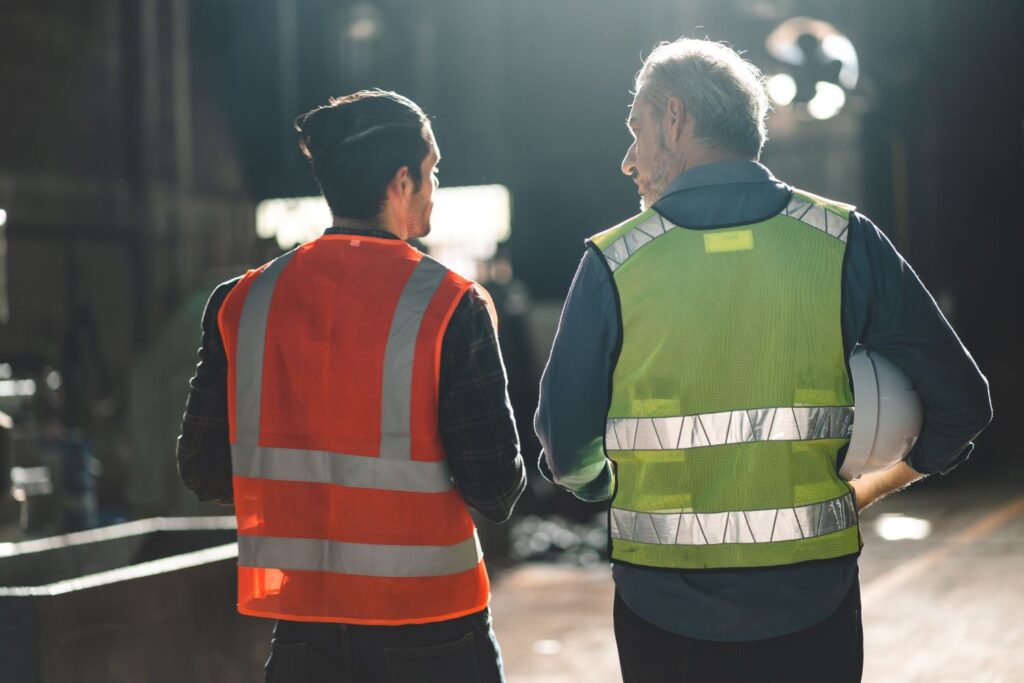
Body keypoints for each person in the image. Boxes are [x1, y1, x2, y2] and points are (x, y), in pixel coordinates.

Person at [535, 39, 992, 683]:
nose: (627, 159)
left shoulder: (614, 261)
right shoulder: (844, 239)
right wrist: (877, 484)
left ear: (674, 118)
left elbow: (564, 447)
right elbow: (963, 404)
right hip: (813, 603)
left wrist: (608, 486)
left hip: (663, 607)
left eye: (636, 129)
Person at [177, 89, 525, 683]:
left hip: (304, 634)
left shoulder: (243, 303)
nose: (436, 185)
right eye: (433, 170)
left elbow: (204, 470)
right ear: (401, 181)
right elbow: (495, 488)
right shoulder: (450, 305)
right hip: (432, 629)